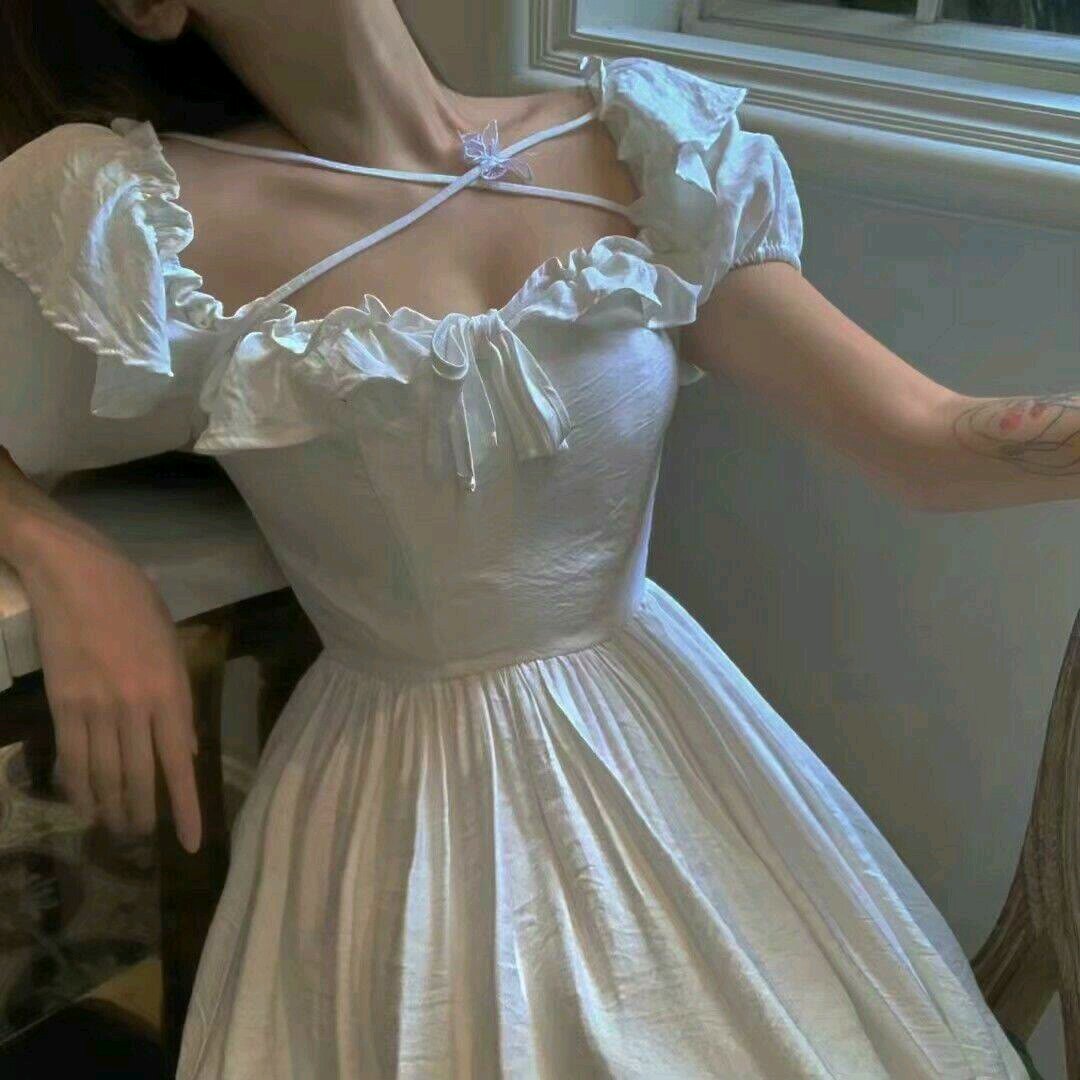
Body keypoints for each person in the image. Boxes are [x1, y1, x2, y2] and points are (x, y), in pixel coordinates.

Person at [0, 1, 1057, 1076]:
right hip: (405, 817)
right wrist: (61, 550)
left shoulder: (636, 144)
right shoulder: (135, 214)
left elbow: (929, 441)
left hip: (672, 753)